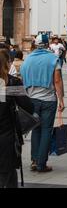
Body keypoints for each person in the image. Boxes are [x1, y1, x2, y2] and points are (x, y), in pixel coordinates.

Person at [20, 34, 65, 173]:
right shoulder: (53, 58)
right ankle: (41, 163)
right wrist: (61, 99)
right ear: (47, 44)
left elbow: (22, 79)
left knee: (36, 129)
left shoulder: (27, 60)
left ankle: (34, 160)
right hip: (48, 101)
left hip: (32, 100)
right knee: (46, 130)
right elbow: (57, 80)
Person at [0, 48, 34, 188]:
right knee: (8, 174)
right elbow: (28, 107)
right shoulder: (12, 83)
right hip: (5, 135)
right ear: (7, 64)